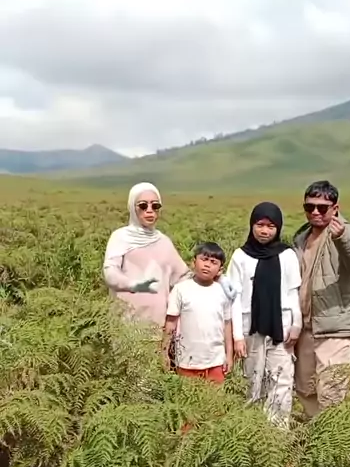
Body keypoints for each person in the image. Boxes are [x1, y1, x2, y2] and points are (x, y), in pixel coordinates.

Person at [293, 180, 350, 418]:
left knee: (331, 393)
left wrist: (342, 238)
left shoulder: (348, 232)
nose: (315, 212)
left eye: (322, 207)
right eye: (309, 207)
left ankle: (331, 438)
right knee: (305, 388)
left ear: (335, 208)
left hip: (334, 328)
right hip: (306, 327)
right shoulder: (301, 237)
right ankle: (315, 434)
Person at [227, 202, 302, 428]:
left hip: (282, 327)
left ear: (278, 228)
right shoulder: (240, 256)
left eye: (271, 226)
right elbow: (234, 297)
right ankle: (251, 430)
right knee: (251, 379)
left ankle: (277, 433)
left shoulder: (287, 255)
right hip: (250, 328)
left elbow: (293, 292)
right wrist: (237, 336)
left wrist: (297, 324)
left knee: (281, 379)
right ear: (252, 225)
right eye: (260, 225)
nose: (264, 231)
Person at [103, 182, 189, 329]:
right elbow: (110, 272)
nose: (150, 211)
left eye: (155, 206)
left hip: (159, 323)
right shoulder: (120, 237)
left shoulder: (163, 242)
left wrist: (212, 279)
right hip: (126, 323)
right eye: (143, 206)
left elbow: (182, 277)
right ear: (132, 207)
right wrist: (134, 285)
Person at [165, 242, 233, 384]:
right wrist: (164, 352)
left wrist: (229, 355)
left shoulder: (222, 292)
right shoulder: (180, 289)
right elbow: (171, 323)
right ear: (193, 262)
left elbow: (227, 324)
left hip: (216, 361)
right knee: (187, 396)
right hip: (186, 361)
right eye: (204, 259)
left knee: (214, 398)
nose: (207, 265)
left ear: (220, 270)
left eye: (213, 262)